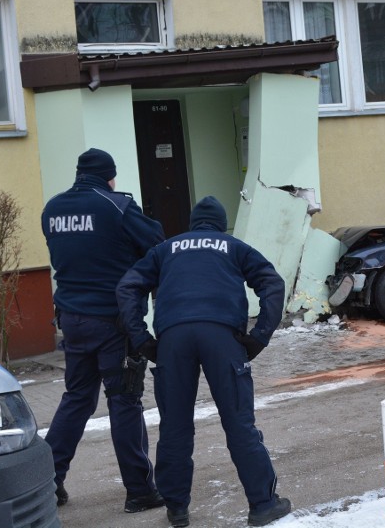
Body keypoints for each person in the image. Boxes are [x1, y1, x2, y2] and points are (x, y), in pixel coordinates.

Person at [116, 196, 290, 528]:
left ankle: (177, 509)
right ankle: (263, 505)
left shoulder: (166, 249)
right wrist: (260, 335)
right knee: (239, 424)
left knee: (175, 427)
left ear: (193, 224)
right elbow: (272, 282)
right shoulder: (234, 246)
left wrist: (141, 338)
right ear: (220, 224)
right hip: (221, 335)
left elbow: (128, 287)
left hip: (173, 338)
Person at [41, 148, 165, 513]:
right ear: (109, 176)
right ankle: (140, 491)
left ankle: (48, 481)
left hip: (71, 319)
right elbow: (156, 243)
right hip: (113, 322)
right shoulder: (116, 206)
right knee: (124, 400)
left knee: (77, 398)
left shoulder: (53, 208)